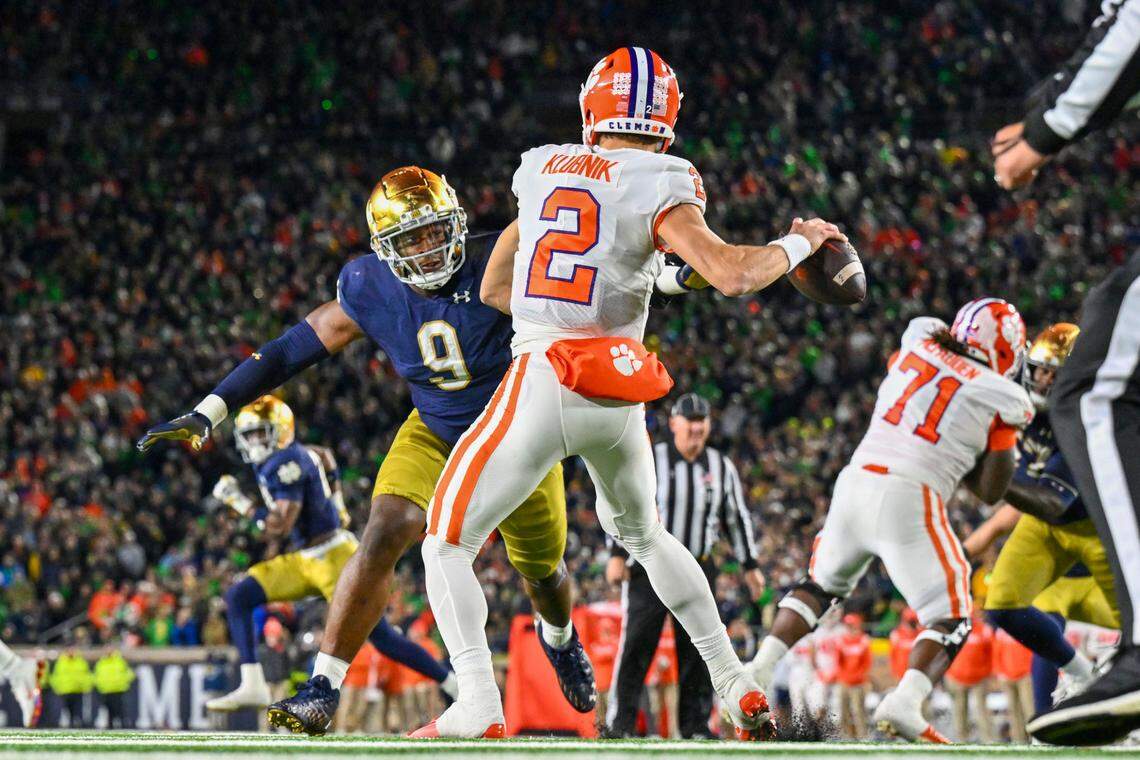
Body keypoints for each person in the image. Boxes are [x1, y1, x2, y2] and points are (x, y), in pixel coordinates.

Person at [409, 45, 846, 740]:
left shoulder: (541, 166)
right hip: (618, 390)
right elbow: (731, 273)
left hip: (546, 374)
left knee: (445, 542)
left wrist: (568, 305)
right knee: (646, 536)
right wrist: (801, 242)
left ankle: (479, 702)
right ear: (666, 118)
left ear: (592, 108)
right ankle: (735, 684)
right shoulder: (664, 176)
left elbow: (496, 287)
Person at [136, 167, 598, 734]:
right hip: (434, 428)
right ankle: (323, 684)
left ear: (455, 224)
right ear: (386, 249)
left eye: (434, 232)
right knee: (385, 527)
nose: (427, 249)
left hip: (516, 434)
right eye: (410, 239)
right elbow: (290, 350)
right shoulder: (370, 286)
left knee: (543, 573)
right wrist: (211, 409)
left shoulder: (499, 262)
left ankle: (559, 638)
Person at [747, 299, 1035, 743]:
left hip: (855, 480)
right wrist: (1007, 430)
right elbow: (991, 490)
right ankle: (905, 701)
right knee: (952, 614)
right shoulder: (1003, 394)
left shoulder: (918, 338)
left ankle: (757, 671)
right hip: (910, 493)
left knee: (820, 585)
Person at [989, 0, 1140, 744]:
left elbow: (1134, 28)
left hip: (1075, 520)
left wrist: (1043, 135)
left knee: (1099, 389)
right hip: (1053, 530)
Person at [190, 395, 454, 714]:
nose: (253, 441)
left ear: (280, 430)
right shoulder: (292, 456)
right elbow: (324, 455)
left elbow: (280, 524)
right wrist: (338, 499)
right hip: (307, 557)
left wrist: (241, 503)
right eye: (249, 435)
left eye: (260, 433)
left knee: (381, 636)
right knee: (239, 596)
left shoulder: (283, 463)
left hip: (334, 558)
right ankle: (252, 683)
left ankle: (449, 682)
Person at [961, 324, 1119, 705]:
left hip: (1097, 531)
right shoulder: (1020, 403)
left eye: (1054, 373)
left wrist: (980, 474)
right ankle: (1081, 676)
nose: (1044, 379)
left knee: (1134, 629)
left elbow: (1051, 500)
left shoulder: (1085, 417)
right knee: (1001, 604)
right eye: (1040, 370)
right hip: (1045, 527)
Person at [603, 392, 764, 738]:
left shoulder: (721, 467)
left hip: (699, 567)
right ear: (674, 423)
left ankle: (695, 727)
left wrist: (750, 564)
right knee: (636, 647)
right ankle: (621, 724)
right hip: (647, 569)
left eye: (701, 420)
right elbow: (621, 499)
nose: (696, 427)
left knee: (698, 650)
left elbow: (736, 518)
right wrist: (616, 554)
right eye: (689, 420)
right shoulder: (652, 459)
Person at [943, 611, 996, 743]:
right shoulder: (953, 630)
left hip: (979, 677)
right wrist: (948, 673)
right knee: (960, 710)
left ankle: (988, 739)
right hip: (957, 676)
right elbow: (946, 652)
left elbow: (992, 653)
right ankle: (961, 739)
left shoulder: (985, 630)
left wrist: (990, 673)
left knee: (982, 710)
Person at [834, 613, 871, 739]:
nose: (850, 628)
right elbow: (838, 661)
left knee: (858, 711)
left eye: (852, 625)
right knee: (843, 710)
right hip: (844, 681)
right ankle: (846, 735)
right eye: (848, 625)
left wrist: (858, 677)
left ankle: (862, 735)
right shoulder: (841, 640)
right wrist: (843, 677)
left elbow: (866, 663)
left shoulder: (864, 640)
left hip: (858, 682)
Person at [0, 640, 44, 728]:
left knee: (25, 701)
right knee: (25, 700)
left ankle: (29, 723)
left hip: (13, 670)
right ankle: (29, 723)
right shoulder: (31, 665)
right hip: (12, 668)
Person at [50, 646, 92, 728]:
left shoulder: (81, 661)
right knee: (65, 711)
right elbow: (56, 676)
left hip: (78, 690)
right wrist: (57, 687)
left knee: (77, 711)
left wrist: (86, 687)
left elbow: (87, 675)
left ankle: (76, 725)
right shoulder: (61, 661)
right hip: (64, 690)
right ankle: (65, 725)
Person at [93, 645, 135, 729]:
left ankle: (124, 727)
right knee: (109, 711)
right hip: (106, 690)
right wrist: (100, 685)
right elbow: (97, 676)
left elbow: (129, 673)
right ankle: (110, 727)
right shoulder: (101, 662)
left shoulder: (120, 660)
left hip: (118, 690)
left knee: (120, 711)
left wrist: (123, 682)